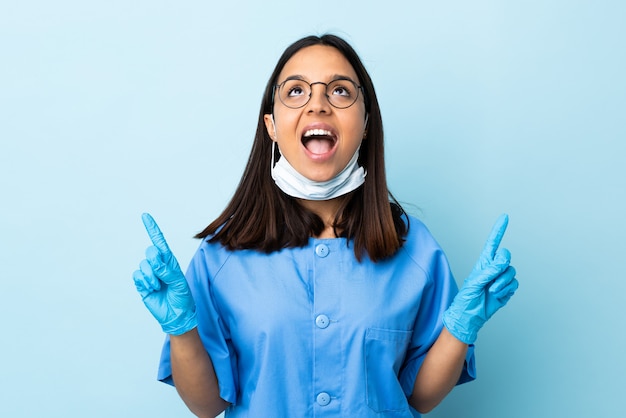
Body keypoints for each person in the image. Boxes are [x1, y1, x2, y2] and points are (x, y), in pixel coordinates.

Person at [132, 34, 518, 418]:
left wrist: (461, 328)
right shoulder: (222, 254)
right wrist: (182, 330)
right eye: (297, 91)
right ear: (270, 124)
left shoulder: (415, 249)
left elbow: (420, 397)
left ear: (366, 123)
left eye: (339, 91)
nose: (318, 104)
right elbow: (206, 405)